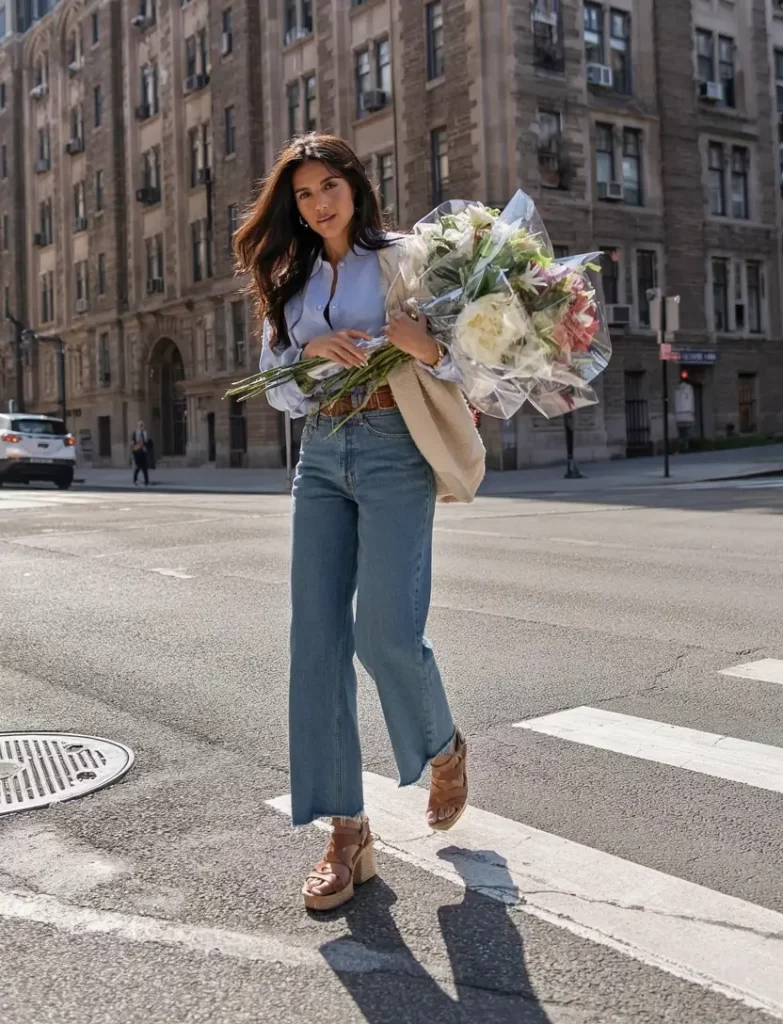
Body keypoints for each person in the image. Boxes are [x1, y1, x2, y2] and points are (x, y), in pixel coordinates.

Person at [234, 133, 485, 912]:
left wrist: (424, 347)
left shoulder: (408, 258)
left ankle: (441, 746)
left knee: (385, 633)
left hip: (392, 449)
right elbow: (280, 390)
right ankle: (346, 833)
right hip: (321, 454)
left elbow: (473, 365)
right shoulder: (292, 280)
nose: (319, 204)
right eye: (304, 195)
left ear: (355, 185)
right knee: (315, 643)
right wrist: (310, 357)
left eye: (328, 186)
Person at [131, 420, 150, 486]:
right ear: (138, 426)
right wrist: (134, 452)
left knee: (145, 467)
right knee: (138, 467)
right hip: (137, 452)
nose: (141, 427)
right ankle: (135, 480)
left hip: (143, 451)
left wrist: (145, 445)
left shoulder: (145, 433)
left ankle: (146, 481)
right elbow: (133, 444)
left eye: (142, 425)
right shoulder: (135, 433)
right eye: (140, 425)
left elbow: (147, 442)